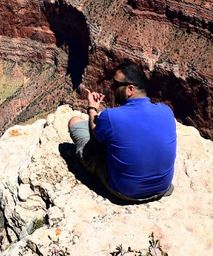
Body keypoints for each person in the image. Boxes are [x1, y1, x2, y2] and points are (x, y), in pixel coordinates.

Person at [67, 61, 176, 202]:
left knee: (75, 122)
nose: (112, 88)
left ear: (130, 89)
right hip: (162, 188)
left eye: (116, 85)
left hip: (126, 192)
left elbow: (95, 134)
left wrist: (92, 108)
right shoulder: (166, 111)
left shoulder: (111, 117)